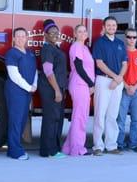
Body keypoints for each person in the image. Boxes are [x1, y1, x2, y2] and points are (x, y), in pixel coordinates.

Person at [92, 16, 128, 156]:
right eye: (109, 25)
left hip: (117, 82)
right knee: (100, 114)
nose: (111, 27)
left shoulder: (120, 43)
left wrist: (118, 79)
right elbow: (99, 63)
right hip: (103, 80)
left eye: (113, 25)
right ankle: (98, 146)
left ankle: (111, 145)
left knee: (113, 115)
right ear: (104, 26)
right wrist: (115, 77)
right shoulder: (99, 42)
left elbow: (125, 64)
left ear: (116, 27)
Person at [5, 27, 38, 160]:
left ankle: (15, 147)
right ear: (13, 38)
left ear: (26, 38)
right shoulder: (11, 53)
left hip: (27, 92)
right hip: (16, 91)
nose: (20, 38)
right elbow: (14, 75)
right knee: (16, 121)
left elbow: (35, 71)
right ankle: (14, 151)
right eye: (17, 36)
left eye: (23, 36)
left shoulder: (30, 54)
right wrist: (28, 87)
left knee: (22, 119)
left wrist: (34, 85)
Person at [62, 24, 95, 156]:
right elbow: (79, 67)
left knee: (78, 117)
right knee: (80, 118)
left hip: (83, 86)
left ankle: (68, 147)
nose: (82, 34)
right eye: (79, 32)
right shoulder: (76, 47)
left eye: (84, 31)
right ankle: (78, 149)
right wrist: (90, 83)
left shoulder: (84, 48)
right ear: (75, 34)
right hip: (80, 85)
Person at [38, 19, 68, 158]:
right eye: (52, 33)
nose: (55, 35)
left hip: (58, 88)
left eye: (57, 32)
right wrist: (56, 90)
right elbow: (48, 71)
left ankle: (53, 149)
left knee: (57, 119)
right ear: (46, 35)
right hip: (50, 89)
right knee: (51, 119)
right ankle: (50, 151)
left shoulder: (55, 48)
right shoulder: (47, 49)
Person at [116, 28, 137, 152]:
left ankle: (134, 143)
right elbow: (118, 73)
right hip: (123, 89)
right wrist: (126, 86)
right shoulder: (120, 53)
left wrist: (134, 87)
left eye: (134, 37)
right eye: (129, 37)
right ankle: (119, 143)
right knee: (121, 119)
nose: (132, 39)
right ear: (125, 38)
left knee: (136, 119)